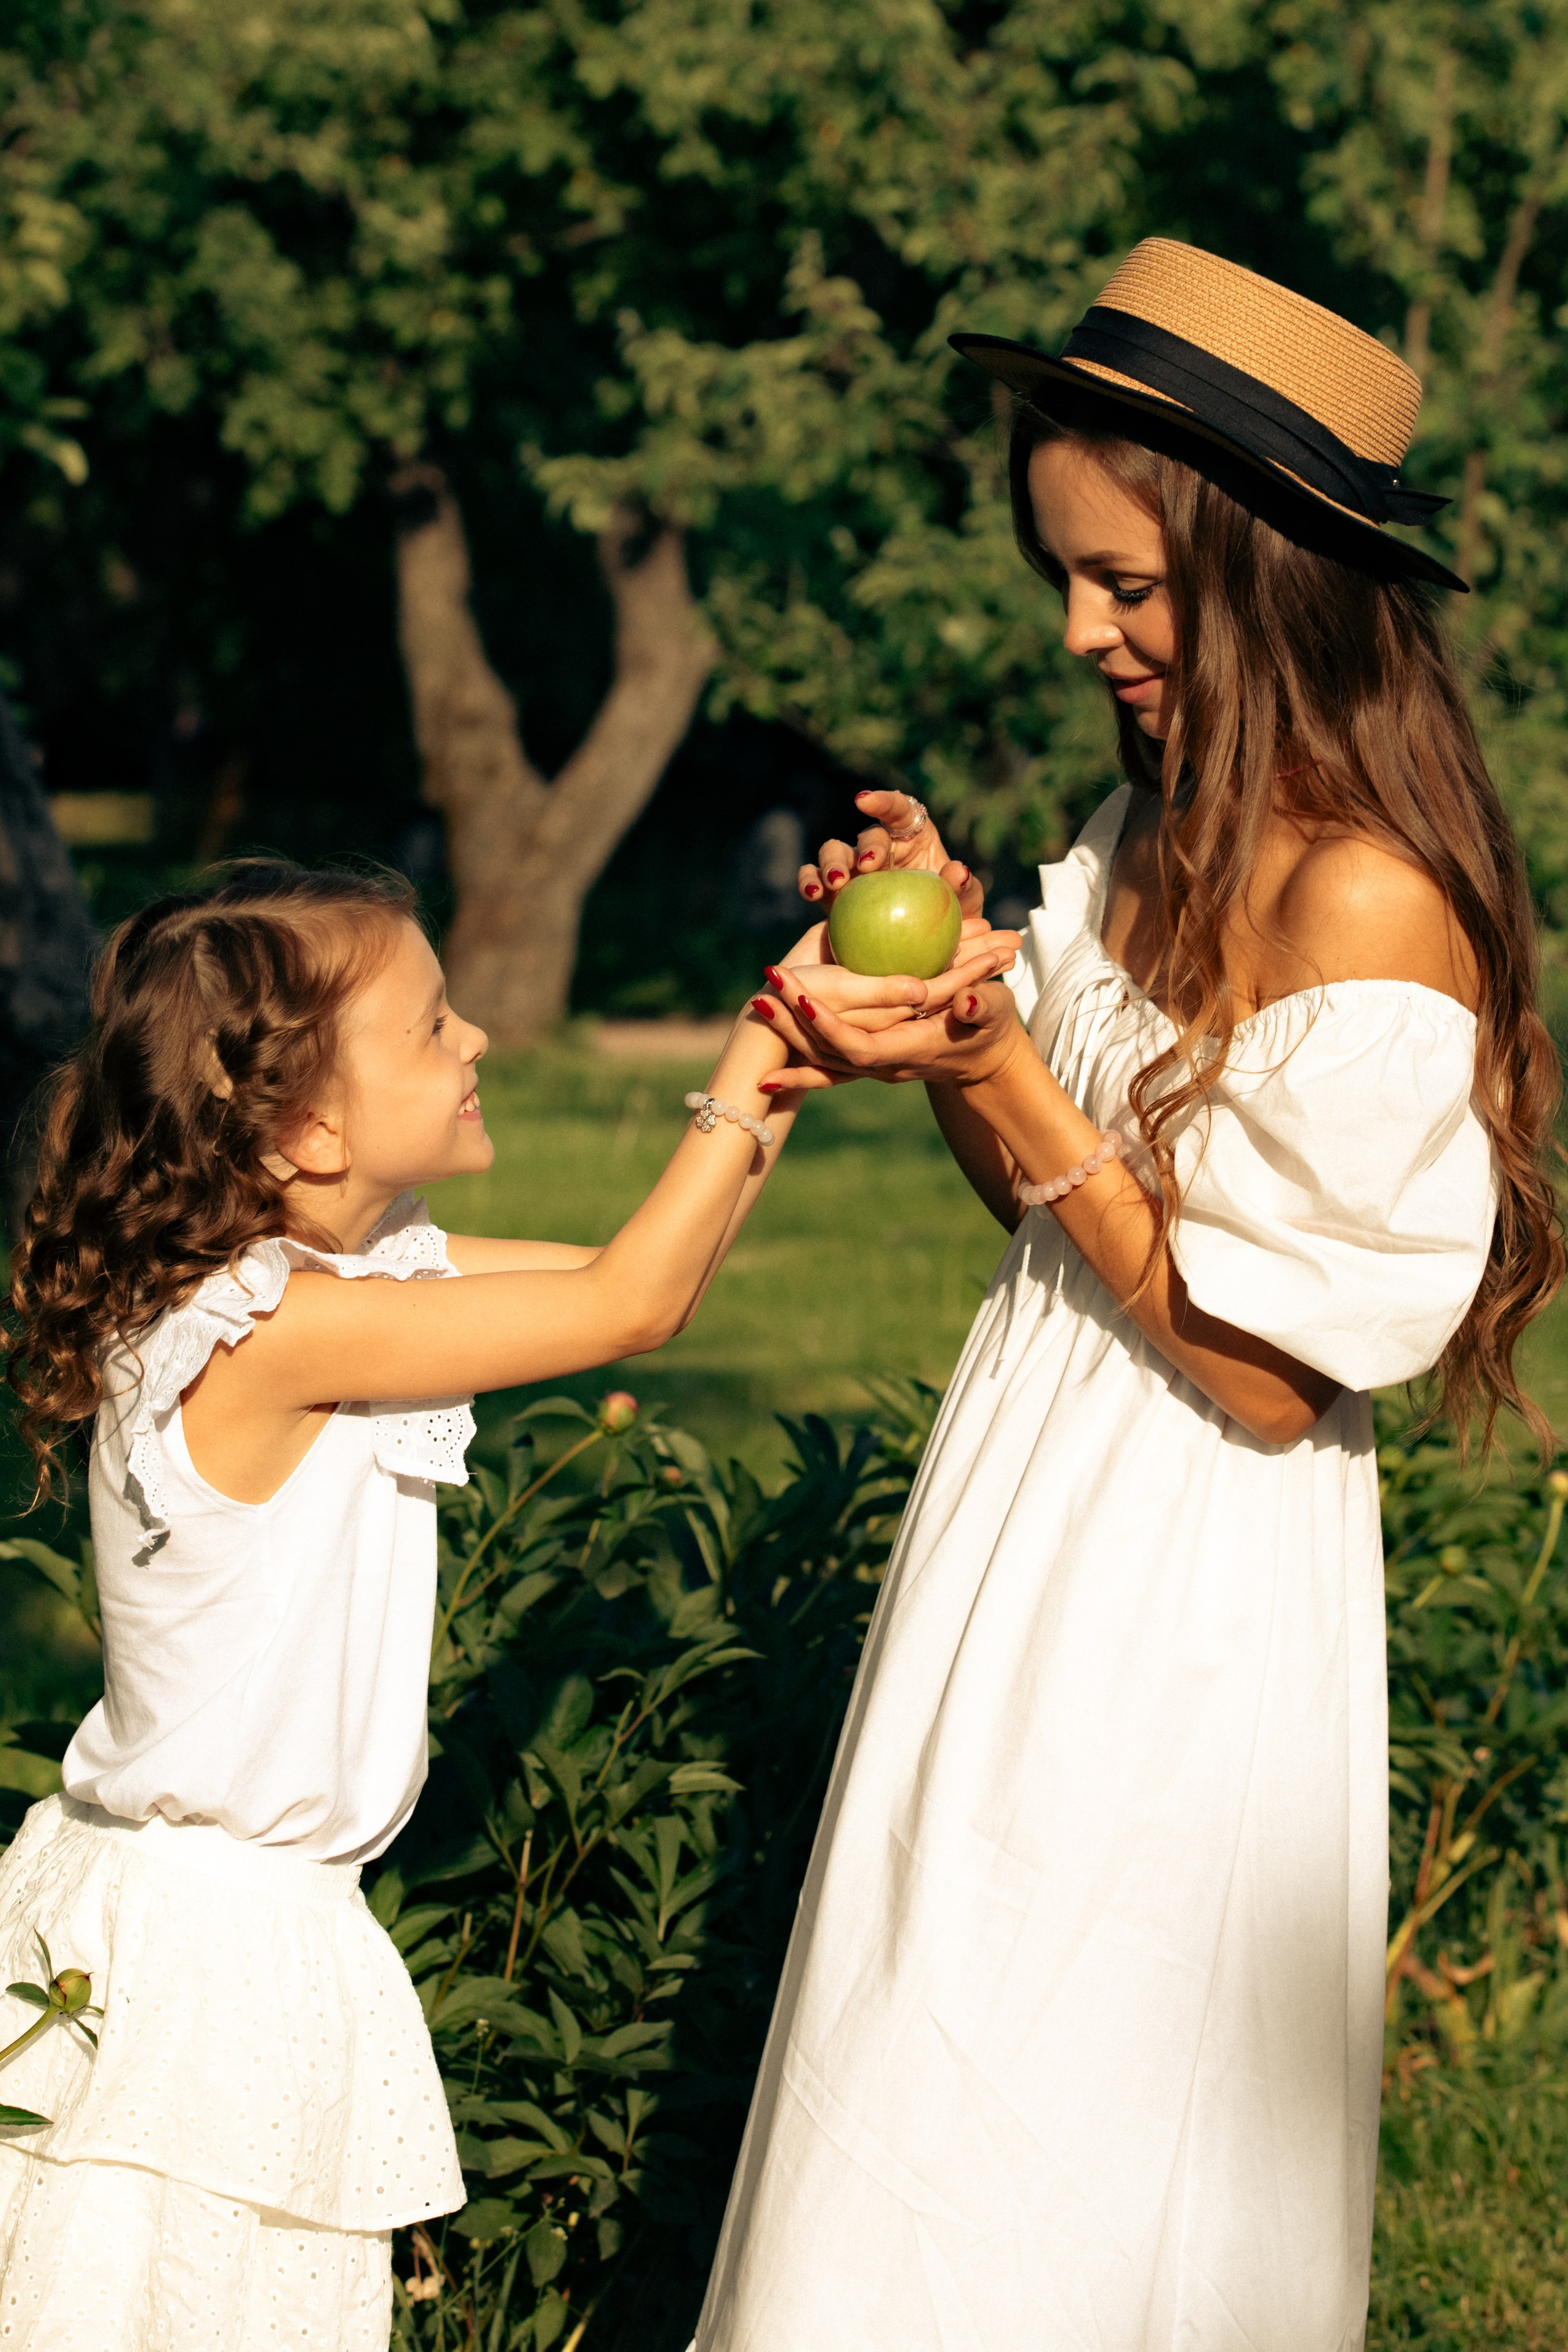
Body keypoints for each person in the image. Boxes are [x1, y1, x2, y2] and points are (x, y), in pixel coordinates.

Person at [692, 240, 1563, 2350]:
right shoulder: (1152, 825)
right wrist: (961, 990)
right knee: (930, 2024)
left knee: (1069, 2104)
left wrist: (1009, 1068)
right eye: (1066, 576)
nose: (1085, 630)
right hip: (1040, 1491)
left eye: (1129, 587)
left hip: (1185, 1581)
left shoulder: (1365, 900)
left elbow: (1260, 1376)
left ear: (1270, 573)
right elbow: (1049, 1208)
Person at [0, 858, 1011, 2348]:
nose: (474, 1039)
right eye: (430, 1027)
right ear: (307, 1125)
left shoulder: (325, 1282)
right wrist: (751, 1048)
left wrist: (784, 1058)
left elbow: (646, 1280)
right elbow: (628, 1303)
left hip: (221, 1926)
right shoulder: (260, 1330)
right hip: (195, 1955)